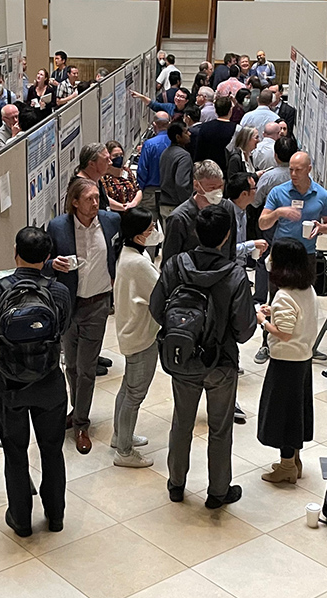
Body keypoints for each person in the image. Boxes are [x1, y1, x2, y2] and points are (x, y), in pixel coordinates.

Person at [0, 226, 71, 536]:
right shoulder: (59, 291)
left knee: (15, 451)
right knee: (52, 450)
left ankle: (21, 520)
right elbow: (63, 325)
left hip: (9, 383)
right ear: (48, 257)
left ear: (15, 254)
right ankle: (56, 516)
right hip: (49, 381)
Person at [150, 205, 256, 508]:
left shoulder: (175, 265)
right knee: (220, 429)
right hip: (221, 361)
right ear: (226, 237)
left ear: (196, 231)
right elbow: (245, 329)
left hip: (182, 358)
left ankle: (176, 483)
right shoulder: (234, 274)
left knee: (182, 422)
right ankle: (218, 491)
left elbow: (157, 308)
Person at [46, 177, 122, 454]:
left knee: (87, 368)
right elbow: (43, 261)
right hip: (69, 304)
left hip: (98, 305)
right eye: (89, 198)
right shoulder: (58, 227)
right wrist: (52, 264)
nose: (95, 202)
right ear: (74, 202)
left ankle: (81, 422)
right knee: (72, 366)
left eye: (96, 197)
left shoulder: (110, 221)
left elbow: (120, 250)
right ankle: (76, 409)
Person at [256, 151, 327, 363]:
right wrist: (278, 213)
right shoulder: (278, 193)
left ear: (309, 169)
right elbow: (263, 224)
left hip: (306, 255)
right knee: (275, 299)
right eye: (290, 168)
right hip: (281, 255)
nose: (293, 173)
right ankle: (267, 343)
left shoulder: (322, 196)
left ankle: (307, 343)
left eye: (298, 169)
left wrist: (321, 228)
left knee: (306, 299)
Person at [255, 238, 318, 483]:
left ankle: (286, 466)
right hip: (303, 358)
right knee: (297, 412)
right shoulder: (307, 288)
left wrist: (262, 319)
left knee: (282, 415)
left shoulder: (283, 295)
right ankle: (295, 460)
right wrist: (276, 313)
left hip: (285, 361)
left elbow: (284, 332)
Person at [110, 207, 160, 468]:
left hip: (130, 329)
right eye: (151, 229)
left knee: (127, 388)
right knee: (135, 394)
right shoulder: (138, 262)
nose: (154, 233)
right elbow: (161, 290)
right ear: (139, 235)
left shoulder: (127, 253)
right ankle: (125, 452)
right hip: (141, 335)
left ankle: (120, 436)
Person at [252, 137, 298, 307]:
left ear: (276, 155)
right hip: (295, 224)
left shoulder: (269, 177)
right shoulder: (303, 177)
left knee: (265, 257)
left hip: (271, 223)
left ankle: (260, 299)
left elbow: (256, 201)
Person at [134, 112, 172, 225]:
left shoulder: (149, 144)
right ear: (169, 124)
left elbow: (142, 169)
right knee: (168, 225)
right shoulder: (175, 142)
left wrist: (140, 188)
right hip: (169, 192)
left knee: (149, 226)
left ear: (154, 125)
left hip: (150, 191)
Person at [226, 173, 268, 267]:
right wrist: (252, 244)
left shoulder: (242, 210)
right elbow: (227, 250)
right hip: (227, 269)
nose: (257, 191)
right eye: (254, 188)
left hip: (239, 266)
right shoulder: (225, 214)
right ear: (244, 194)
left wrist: (252, 248)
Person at [159, 121, 194, 224]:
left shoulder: (165, 152)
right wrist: (188, 204)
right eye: (186, 132)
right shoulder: (184, 156)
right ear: (178, 137)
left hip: (164, 203)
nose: (189, 134)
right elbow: (181, 184)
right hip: (177, 206)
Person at [193, 96, 237, 172]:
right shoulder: (237, 129)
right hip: (227, 170)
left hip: (207, 169)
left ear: (215, 111)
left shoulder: (204, 126)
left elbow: (199, 150)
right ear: (230, 110)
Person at [74, 142, 114, 211]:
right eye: (106, 159)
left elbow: (105, 200)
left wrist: (123, 207)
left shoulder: (96, 178)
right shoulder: (82, 188)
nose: (110, 162)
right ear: (91, 164)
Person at [101, 141, 139, 209]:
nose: (119, 158)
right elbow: (105, 198)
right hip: (115, 212)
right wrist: (123, 207)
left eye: (121, 155)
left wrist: (133, 203)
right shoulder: (103, 177)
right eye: (115, 155)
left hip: (132, 210)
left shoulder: (127, 171)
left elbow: (138, 190)